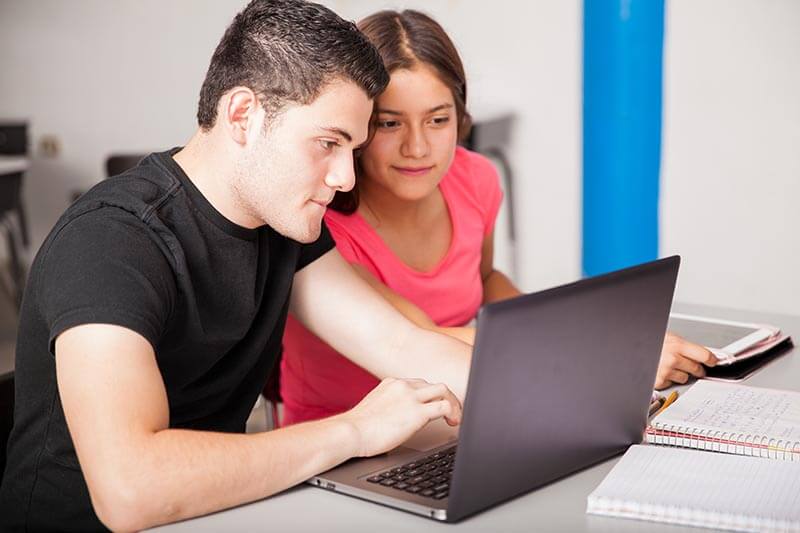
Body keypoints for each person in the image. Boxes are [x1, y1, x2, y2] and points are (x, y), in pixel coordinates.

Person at [0, 2, 470, 531]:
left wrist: (561, 399)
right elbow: (130, 489)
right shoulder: (110, 241)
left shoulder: (281, 224)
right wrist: (355, 430)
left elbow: (403, 345)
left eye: (352, 149)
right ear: (243, 115)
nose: (344, 177)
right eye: (328, 143)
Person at [280, 9, 717, 427]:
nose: (417, 147)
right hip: (344, 448)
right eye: (390, 124)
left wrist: (568, 326)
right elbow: (417, 339)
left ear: (461, 118)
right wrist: (602, 347)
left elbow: (486, 277)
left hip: (455, 419)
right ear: (355, 128)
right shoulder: (324, 223)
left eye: (437, 119)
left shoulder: (475, 179)